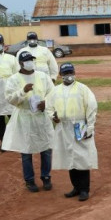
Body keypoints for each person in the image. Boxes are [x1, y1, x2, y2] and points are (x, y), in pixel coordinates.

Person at [1, 51, 55, 192]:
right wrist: (22, 91)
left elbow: (52, 93)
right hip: (24, 117)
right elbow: (10, 99)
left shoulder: (43, 77)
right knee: (26, 150)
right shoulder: (13, 79)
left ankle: (46, 176)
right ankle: (29, 180)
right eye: (27, 60)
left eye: (32, 59)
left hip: (41, 117)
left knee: (46, 149)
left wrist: (46, 103)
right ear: (20, 63)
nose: (30, 62)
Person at [46, 63, 98, 201]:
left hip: (79, 125)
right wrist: (53, 117)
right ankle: (75, 187)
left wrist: (90, 127)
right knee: (70, 157)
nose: (68, 75)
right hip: (63, 127)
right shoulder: (55, 91)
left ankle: (84, 189)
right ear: (60, 75)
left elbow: (91, 107)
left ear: (74, 72)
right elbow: (48, 107)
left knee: (82, 157)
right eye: (65, 73)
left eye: (70, 72)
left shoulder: (83, 89)